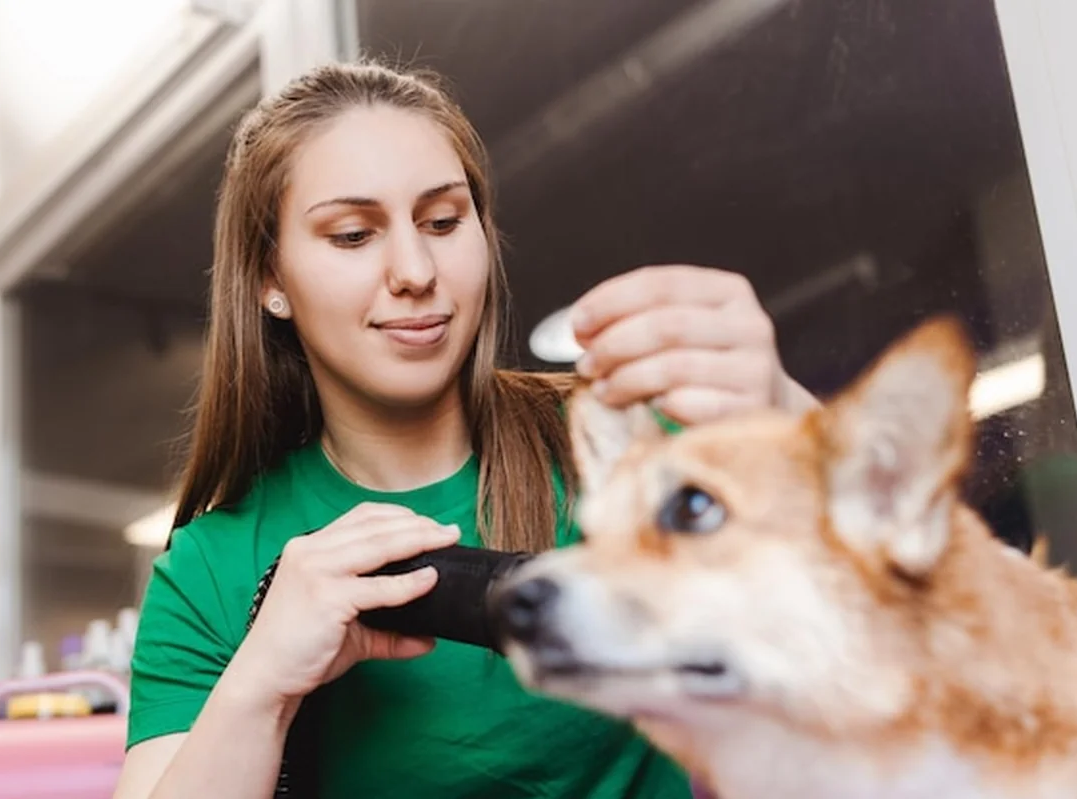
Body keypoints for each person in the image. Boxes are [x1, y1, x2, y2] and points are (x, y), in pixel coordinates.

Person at [111, 59, 817, 799]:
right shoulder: (211, 569)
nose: (415, 269)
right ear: (271, 280)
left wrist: (781, 405)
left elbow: (918, 590)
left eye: (444, 221)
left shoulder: (624, 438)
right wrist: (263, 685)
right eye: (353, 235)